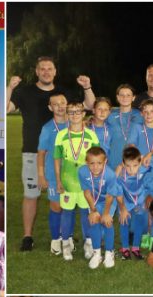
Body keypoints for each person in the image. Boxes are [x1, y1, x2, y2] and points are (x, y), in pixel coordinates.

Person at [7, 56, 94, 251]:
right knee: (31, 194)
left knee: (63, 193)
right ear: (37, 71)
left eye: (50, 68)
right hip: (33, 151)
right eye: (42, 69)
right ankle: (27, 236)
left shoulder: (64, 93)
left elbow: (89, 106)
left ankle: (65, 234)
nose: (46, 72)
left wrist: (87, 87)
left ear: (55, 71)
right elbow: (5, 108)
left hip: (66, 155)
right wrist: (10, 88)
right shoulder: (25, 91)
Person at [54, 101, 101, 261]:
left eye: (77, 111)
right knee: (66, 213)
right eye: (71, 112)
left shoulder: (91, 135)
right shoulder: (61, 135)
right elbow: (57, 159)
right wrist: (58, 180)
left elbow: (96, 158)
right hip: (67, 180)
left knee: (85, 212)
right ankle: (66, 245)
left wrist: (95, 180)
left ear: (83, 114)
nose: (74, 115)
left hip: (86, 181)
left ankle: (88, 243)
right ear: (67, 115)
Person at [35, 92, 69, 255]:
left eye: (63, 103)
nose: (60, 106)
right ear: (50, 107)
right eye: (56, 104)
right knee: (56, 206)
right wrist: (41, 175)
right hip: (52, 173)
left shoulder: (75, 124)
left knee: (68, 206)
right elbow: (41, 153)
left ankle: (66, 237)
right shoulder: (48, 128)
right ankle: (56, 239)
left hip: (71, 174)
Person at [114, 146, 152, 261]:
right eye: (128, 166)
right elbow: (116, 191)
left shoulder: (143, 169)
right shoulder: (120, 177)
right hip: (125, 203)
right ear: (123, 165)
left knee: (139, 224)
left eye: (135, 165)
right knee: (124, 222)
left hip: (140, 202)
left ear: (139, 163)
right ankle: (125, 248)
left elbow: (152, 159)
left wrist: (143, 157)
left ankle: (136, 248)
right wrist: (123, 209)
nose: (131, 169)